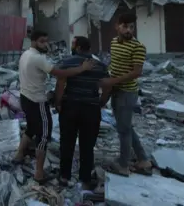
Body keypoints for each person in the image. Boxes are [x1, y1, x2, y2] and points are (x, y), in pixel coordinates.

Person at [12, 30, 95, 184]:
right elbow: (59, 74)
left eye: (47, 41)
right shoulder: (37, 58)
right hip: (37, 101)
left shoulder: (26, 54)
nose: (46, 45)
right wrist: (82, 69)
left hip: (25, 97)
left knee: (31, 128)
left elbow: (49, 69)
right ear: (34, 42)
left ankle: (18, 155)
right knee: (43, 135)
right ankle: (39, 173)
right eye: (42, 42)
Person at [99, 12, 152, 177]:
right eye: (125, 26)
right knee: (126, 126)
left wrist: (112, 82)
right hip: (115, 89)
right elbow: (114, 64)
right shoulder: (114, 42)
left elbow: (136, 72)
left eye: (131, 27)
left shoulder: (138, 47)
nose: (128, 30)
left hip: (127, 91)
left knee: (123, 130)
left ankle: (123, 165)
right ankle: (143, 160)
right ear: (117, 26)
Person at [54, 36, 109, 189]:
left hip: (70, 107)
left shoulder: (67, 63)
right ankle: (85, 179)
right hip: (91, 109)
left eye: (73, 44)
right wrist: (102, 102)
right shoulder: (100, 66)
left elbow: (60, 83)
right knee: (87, 145)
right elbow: (107, 86)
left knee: (67, 143)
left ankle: (64, 176)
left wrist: (58, 102)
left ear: (78, 48)